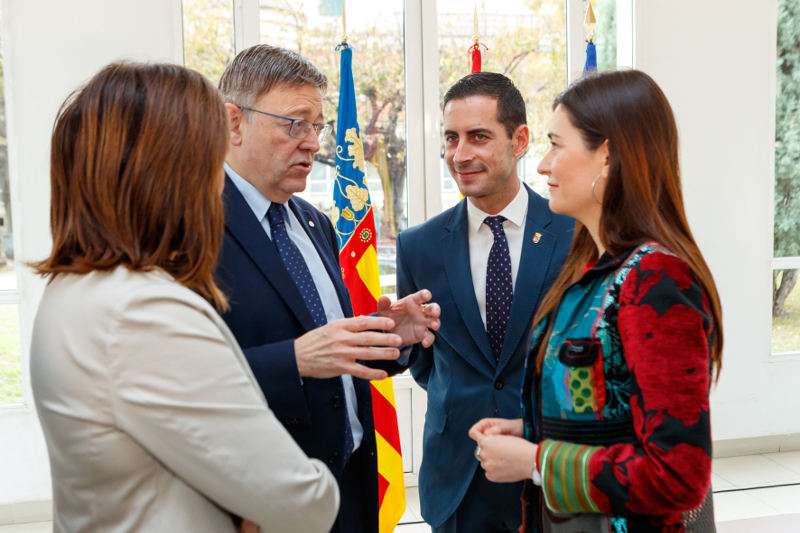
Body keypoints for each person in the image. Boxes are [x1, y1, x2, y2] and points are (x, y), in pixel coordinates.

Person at [29, 62, 339, 533]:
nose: (219, 182)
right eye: (210, 160)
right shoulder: (143, 313)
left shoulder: (76, 288)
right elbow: (303, 501)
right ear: (169, 173)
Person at [469, 69, 723, 532]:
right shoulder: (592, 269)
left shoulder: (655, 279)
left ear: (606, 155)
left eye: (555, 145)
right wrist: (533, 431)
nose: (542, 165)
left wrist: (536, 461)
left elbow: (678, 474)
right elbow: (614, 416)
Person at [215, 44, 440, 533]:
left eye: (318, 126)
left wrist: (386, 334)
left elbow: (329, 349)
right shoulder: (193, 229)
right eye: (294, 124)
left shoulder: (314, 222)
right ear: (234, 122)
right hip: (265, 503)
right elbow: (184, 378)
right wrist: (293, 359)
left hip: (351, 486)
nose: (314, 144)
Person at [395, 72, 573, 532]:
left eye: (478, 136)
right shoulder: (419, 246)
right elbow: (426, 362)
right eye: (451, 138)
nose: (460, 154)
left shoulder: (575, 234)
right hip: (458, 476)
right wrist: (398, 340)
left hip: (551, 469)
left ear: (520, 141)